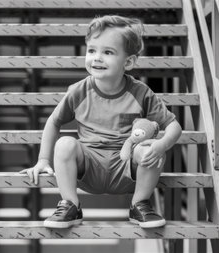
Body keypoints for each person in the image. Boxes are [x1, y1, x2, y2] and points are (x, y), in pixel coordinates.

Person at [19, 15, 182, 229]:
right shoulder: (79, 91)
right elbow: (53, 122)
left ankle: (139, 204)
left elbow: (174, 126)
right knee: (65, 143)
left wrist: (161, 145)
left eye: (108, 52)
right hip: (89, 166)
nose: (97, 58)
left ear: (129, 62)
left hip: (126, 167)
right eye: (92, 50)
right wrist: (42, 160)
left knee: (151, 148)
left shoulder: (141, 93)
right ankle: (70, 205)